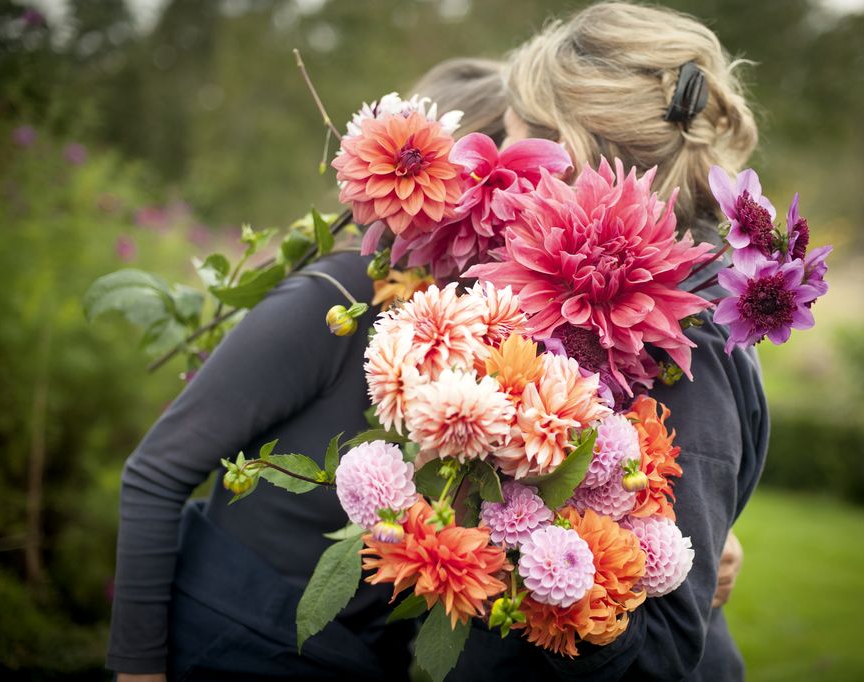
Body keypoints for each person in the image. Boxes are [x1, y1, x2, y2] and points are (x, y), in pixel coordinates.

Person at [109, 24, 753, 682]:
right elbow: (156, 471)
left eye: (518, 166)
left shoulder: (509, 332)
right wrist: (136, 671)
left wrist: (696, 535)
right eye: (490, 170)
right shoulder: (336, 298)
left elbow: (544, 489)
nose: (503, 197)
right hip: (234, 631)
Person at [444, 3, 767, 680]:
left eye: (518, 144)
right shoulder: (556, 296)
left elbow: (665, 642)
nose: (503, 170)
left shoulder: (686, 339)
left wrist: (543, 573)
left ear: (577, 155)